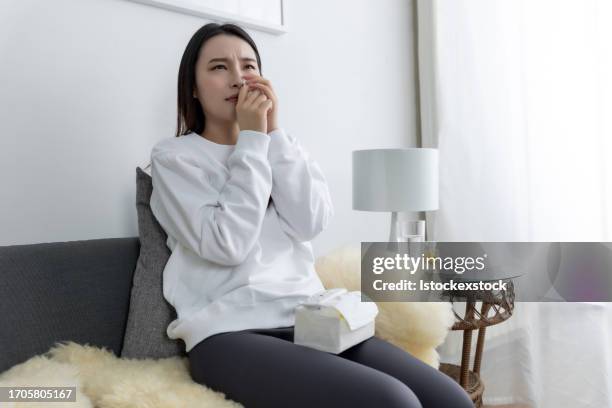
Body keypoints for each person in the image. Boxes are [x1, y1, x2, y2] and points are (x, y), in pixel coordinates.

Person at [149, 22, 474, 408]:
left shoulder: (281, 147)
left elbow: (310, 222)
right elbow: (227, 245)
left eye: (249, 66)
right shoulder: (174, 159)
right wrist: (252, 142)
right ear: (193, 87)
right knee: (393, 401)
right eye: (219, 68)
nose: (239, 79)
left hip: (312, 319)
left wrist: (272, 135)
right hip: (229, 333)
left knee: (451, 399)